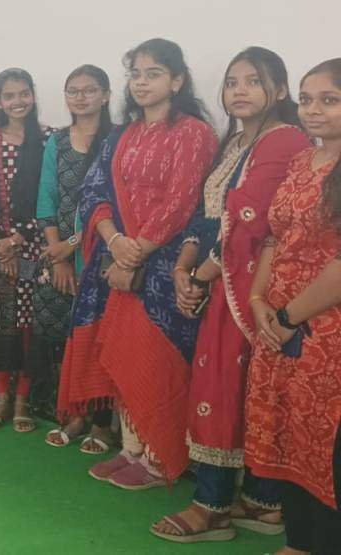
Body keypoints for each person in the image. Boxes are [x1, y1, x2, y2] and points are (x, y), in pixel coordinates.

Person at [151, 47, 311, 544]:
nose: (239, 91)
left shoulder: (285, 140)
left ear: (279, 91)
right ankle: (261, 502)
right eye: (232, 82)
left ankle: (213, 507)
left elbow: (250, 224)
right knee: (236, 388)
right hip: (226, 281)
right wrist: (184, 267)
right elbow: (210, 217)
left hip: (253, 288)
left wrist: (200, 278)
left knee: (225, 390)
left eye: (253, 81)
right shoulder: (237, 142)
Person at [58, 38, 218, 490]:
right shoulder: (121, 135)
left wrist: (138, 252)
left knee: (153, 360)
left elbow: (183, 201)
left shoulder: (194, 133)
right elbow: (95, 192)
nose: (142, 83)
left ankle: (159, 457)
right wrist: (114, 241)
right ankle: (132, 448)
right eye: (136, 74)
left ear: (177, 81)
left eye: (154, 74)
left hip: (165, 265)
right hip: (118, 254)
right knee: (121, 358)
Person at [243, 58, 341, 554]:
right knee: (292, 435)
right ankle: (300, 542)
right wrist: (259, 298)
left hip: (325, 331)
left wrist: (286, 317)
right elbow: (274, 236)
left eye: (329, 100)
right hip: (281, 323)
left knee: (326, 442)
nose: (312, 110)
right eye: (305, 100)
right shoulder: (303, 160)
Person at [39, 65, 116, 454]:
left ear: (106, 95)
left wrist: (72, 244)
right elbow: (46, 199)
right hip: (64, 259)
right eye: (73, 91)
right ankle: (75, 414)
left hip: (105, 256)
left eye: (89, 90)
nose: (81, 97)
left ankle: (102, 424)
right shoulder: (56, 141)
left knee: (101, 339)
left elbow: (114, 203)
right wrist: (58, 257)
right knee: (68, 339)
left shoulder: (118, 139)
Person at [0, 68, 49, 433]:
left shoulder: (48, 140)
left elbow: (48, 197)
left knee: (28, 323)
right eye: (9, 95)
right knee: (0, 321)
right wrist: (2, 241)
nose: (17, 101)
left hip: (35, 247)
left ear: (32, 95)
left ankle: (23, 399)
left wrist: (18, 239)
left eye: (23, 93)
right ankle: (2, 396)